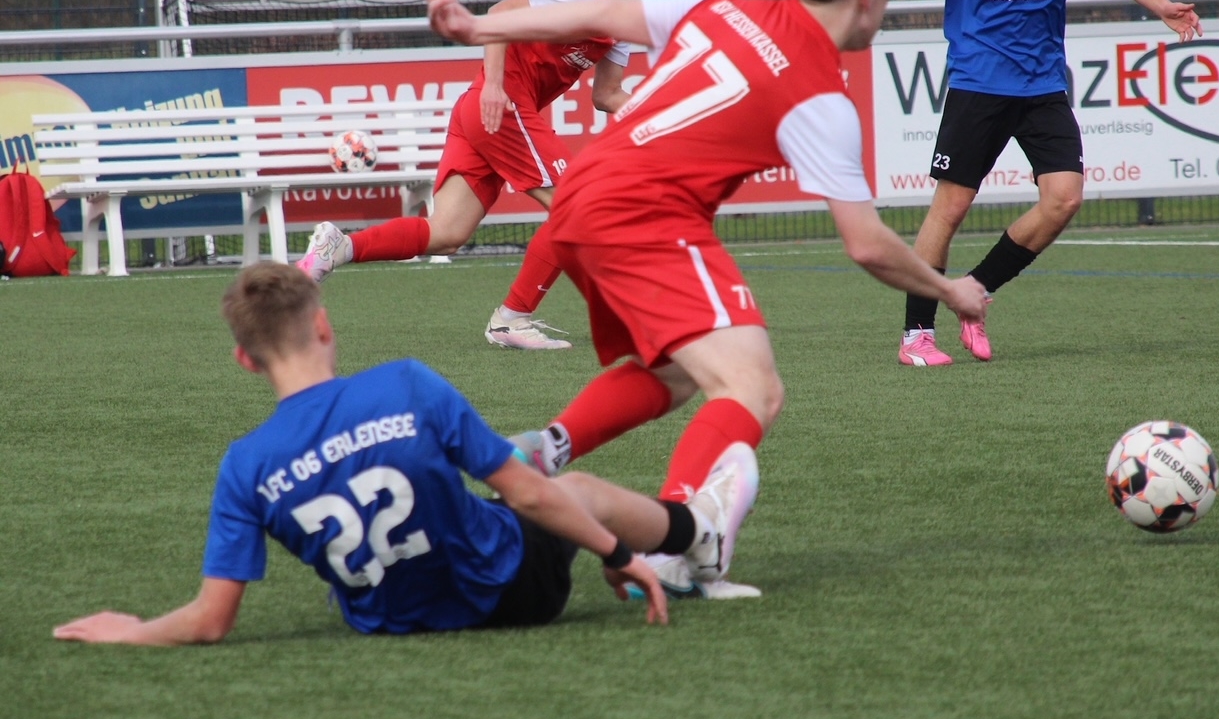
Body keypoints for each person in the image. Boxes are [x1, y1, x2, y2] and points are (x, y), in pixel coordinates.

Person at [427, 0, 990, 596]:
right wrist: (951, 290)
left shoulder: (724, 9)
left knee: (673, 373)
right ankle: (675, 546)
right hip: (646, 215)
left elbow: (599, 12)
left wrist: (477, 28)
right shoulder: (820, 94)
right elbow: (867, 244)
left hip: (582, 199)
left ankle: (541, 452)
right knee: (753, 387)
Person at [52, 262, 760, 645]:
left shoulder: (246, 464)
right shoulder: (405, 384)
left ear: (245, 360)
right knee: (571, 489)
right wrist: (616, 553)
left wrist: (131, 631)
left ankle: (543, 460)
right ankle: (695, 534)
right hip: (514, 594)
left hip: (393, 622)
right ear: (323, 325)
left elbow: (211, 620)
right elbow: (529, 496)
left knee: (506, 482)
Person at [893, 0, 1202, 367]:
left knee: (1064, 198)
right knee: (950, 209)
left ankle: (976, 291)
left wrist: (1161, 5)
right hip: (978, 80)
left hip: (1041, 84)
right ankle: (916, 334)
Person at [297, 0, 665, 351]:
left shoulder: (623, 22)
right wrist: (494, 84)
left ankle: (339, 247)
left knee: (447, 232)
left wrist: (668, 112)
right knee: (575, 206)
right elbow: (500, 14)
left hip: (485, 113)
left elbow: (606, 95)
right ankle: (513, 319)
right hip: (500, 103)